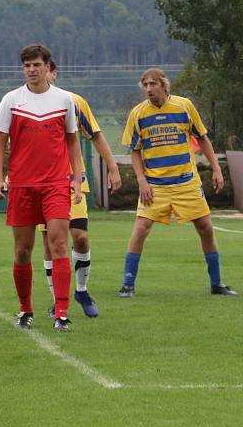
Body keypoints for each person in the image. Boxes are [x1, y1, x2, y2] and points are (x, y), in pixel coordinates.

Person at [119, 68, 237, 298]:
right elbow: (134, 151)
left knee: (206, 228)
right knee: (141, 229)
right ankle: (128, 285)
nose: (149, 89)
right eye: (145, 85)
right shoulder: (138, 113)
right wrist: (142, 181)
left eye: (153, 84)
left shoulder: (184, 106)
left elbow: (202, 138)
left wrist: (216, 169)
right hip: (155, 185)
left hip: (186, 183)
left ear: (164, 85)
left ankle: (217, 284)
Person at [0, 44, 83, 333]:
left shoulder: (64, 100)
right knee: (22, 251)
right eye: (27, 66)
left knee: (58, 244)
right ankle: (25, 310)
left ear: (47, 67)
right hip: (21, 185)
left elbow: (72, 142)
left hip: (56, 183)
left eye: (36, 65)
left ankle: (62, 313)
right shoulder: (11, 100)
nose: (31, 70)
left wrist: (76, 179)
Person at [37, 62, 122, 318]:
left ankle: (82, 290)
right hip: (41, 181)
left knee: (80, 236)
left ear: (53, 73)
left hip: (72, 179)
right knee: (51, 242)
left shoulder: (73, 102)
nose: (43, 75)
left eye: (46, 70)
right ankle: (57, 300)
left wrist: (113, 167)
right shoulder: (27, 103)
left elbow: (95, 134)